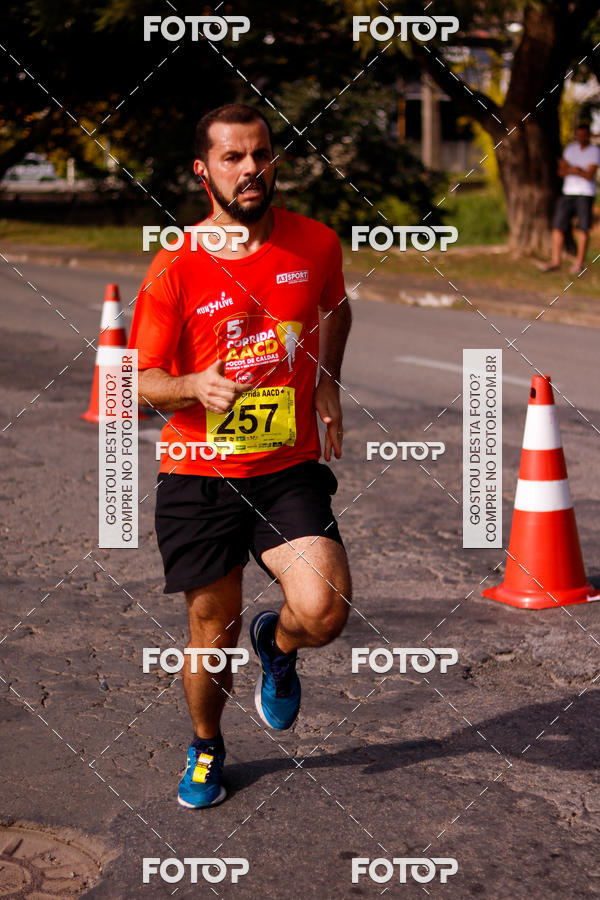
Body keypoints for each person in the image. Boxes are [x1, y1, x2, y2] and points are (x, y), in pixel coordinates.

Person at [128, 104, 352, 809]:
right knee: (210, 633)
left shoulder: (315, 243)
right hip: (198, 472)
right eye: (233, 157)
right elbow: (136, 383)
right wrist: (193, 384)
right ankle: (206, 745)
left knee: (324, 609)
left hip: (285, 467)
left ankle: (278, 646)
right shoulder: (175, 265)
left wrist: (327, 385)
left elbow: (336, 309)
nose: (250, 168)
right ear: (205, 171)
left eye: (260, 154)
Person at [542, 118, 600, 275]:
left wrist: (574, 169)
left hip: (585, 194)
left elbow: (589, 174)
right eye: (579, 135)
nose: (581, 138)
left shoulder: (594, 151)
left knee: (583, 228)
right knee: (558, 226)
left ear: (589, 136)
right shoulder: (570, 149)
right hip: (568, 192)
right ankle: (555, 261)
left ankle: (579, 263)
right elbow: (561, 172)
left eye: (584, 135)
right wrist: (576, 170)